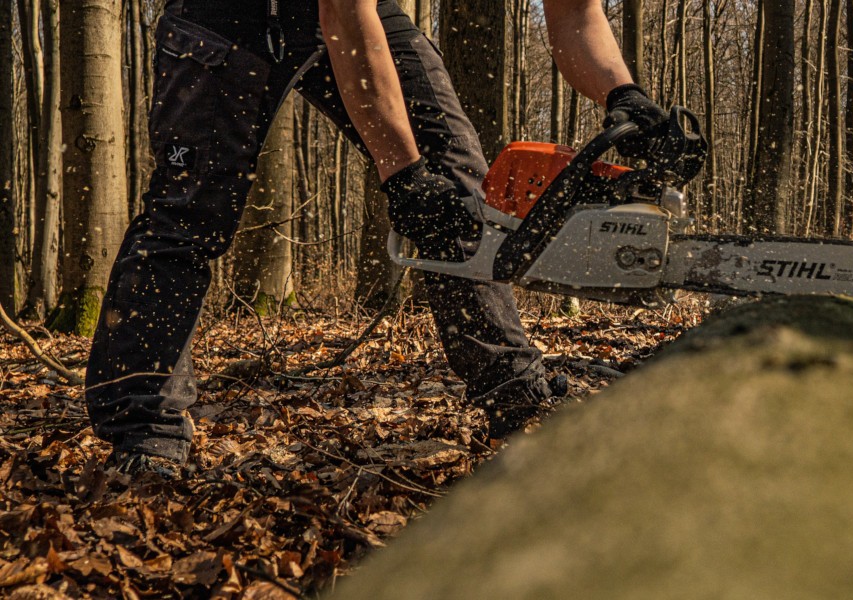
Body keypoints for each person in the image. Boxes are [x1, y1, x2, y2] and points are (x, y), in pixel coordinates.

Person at [86, 0, 673, 479]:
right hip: (224, 12)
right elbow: (343, 11)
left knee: (458, 182)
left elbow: (574, 13)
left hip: (356, 9)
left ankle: (513, 389)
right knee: (189, 211)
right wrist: (402, 174)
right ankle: (144, 421)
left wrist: (625, 97)